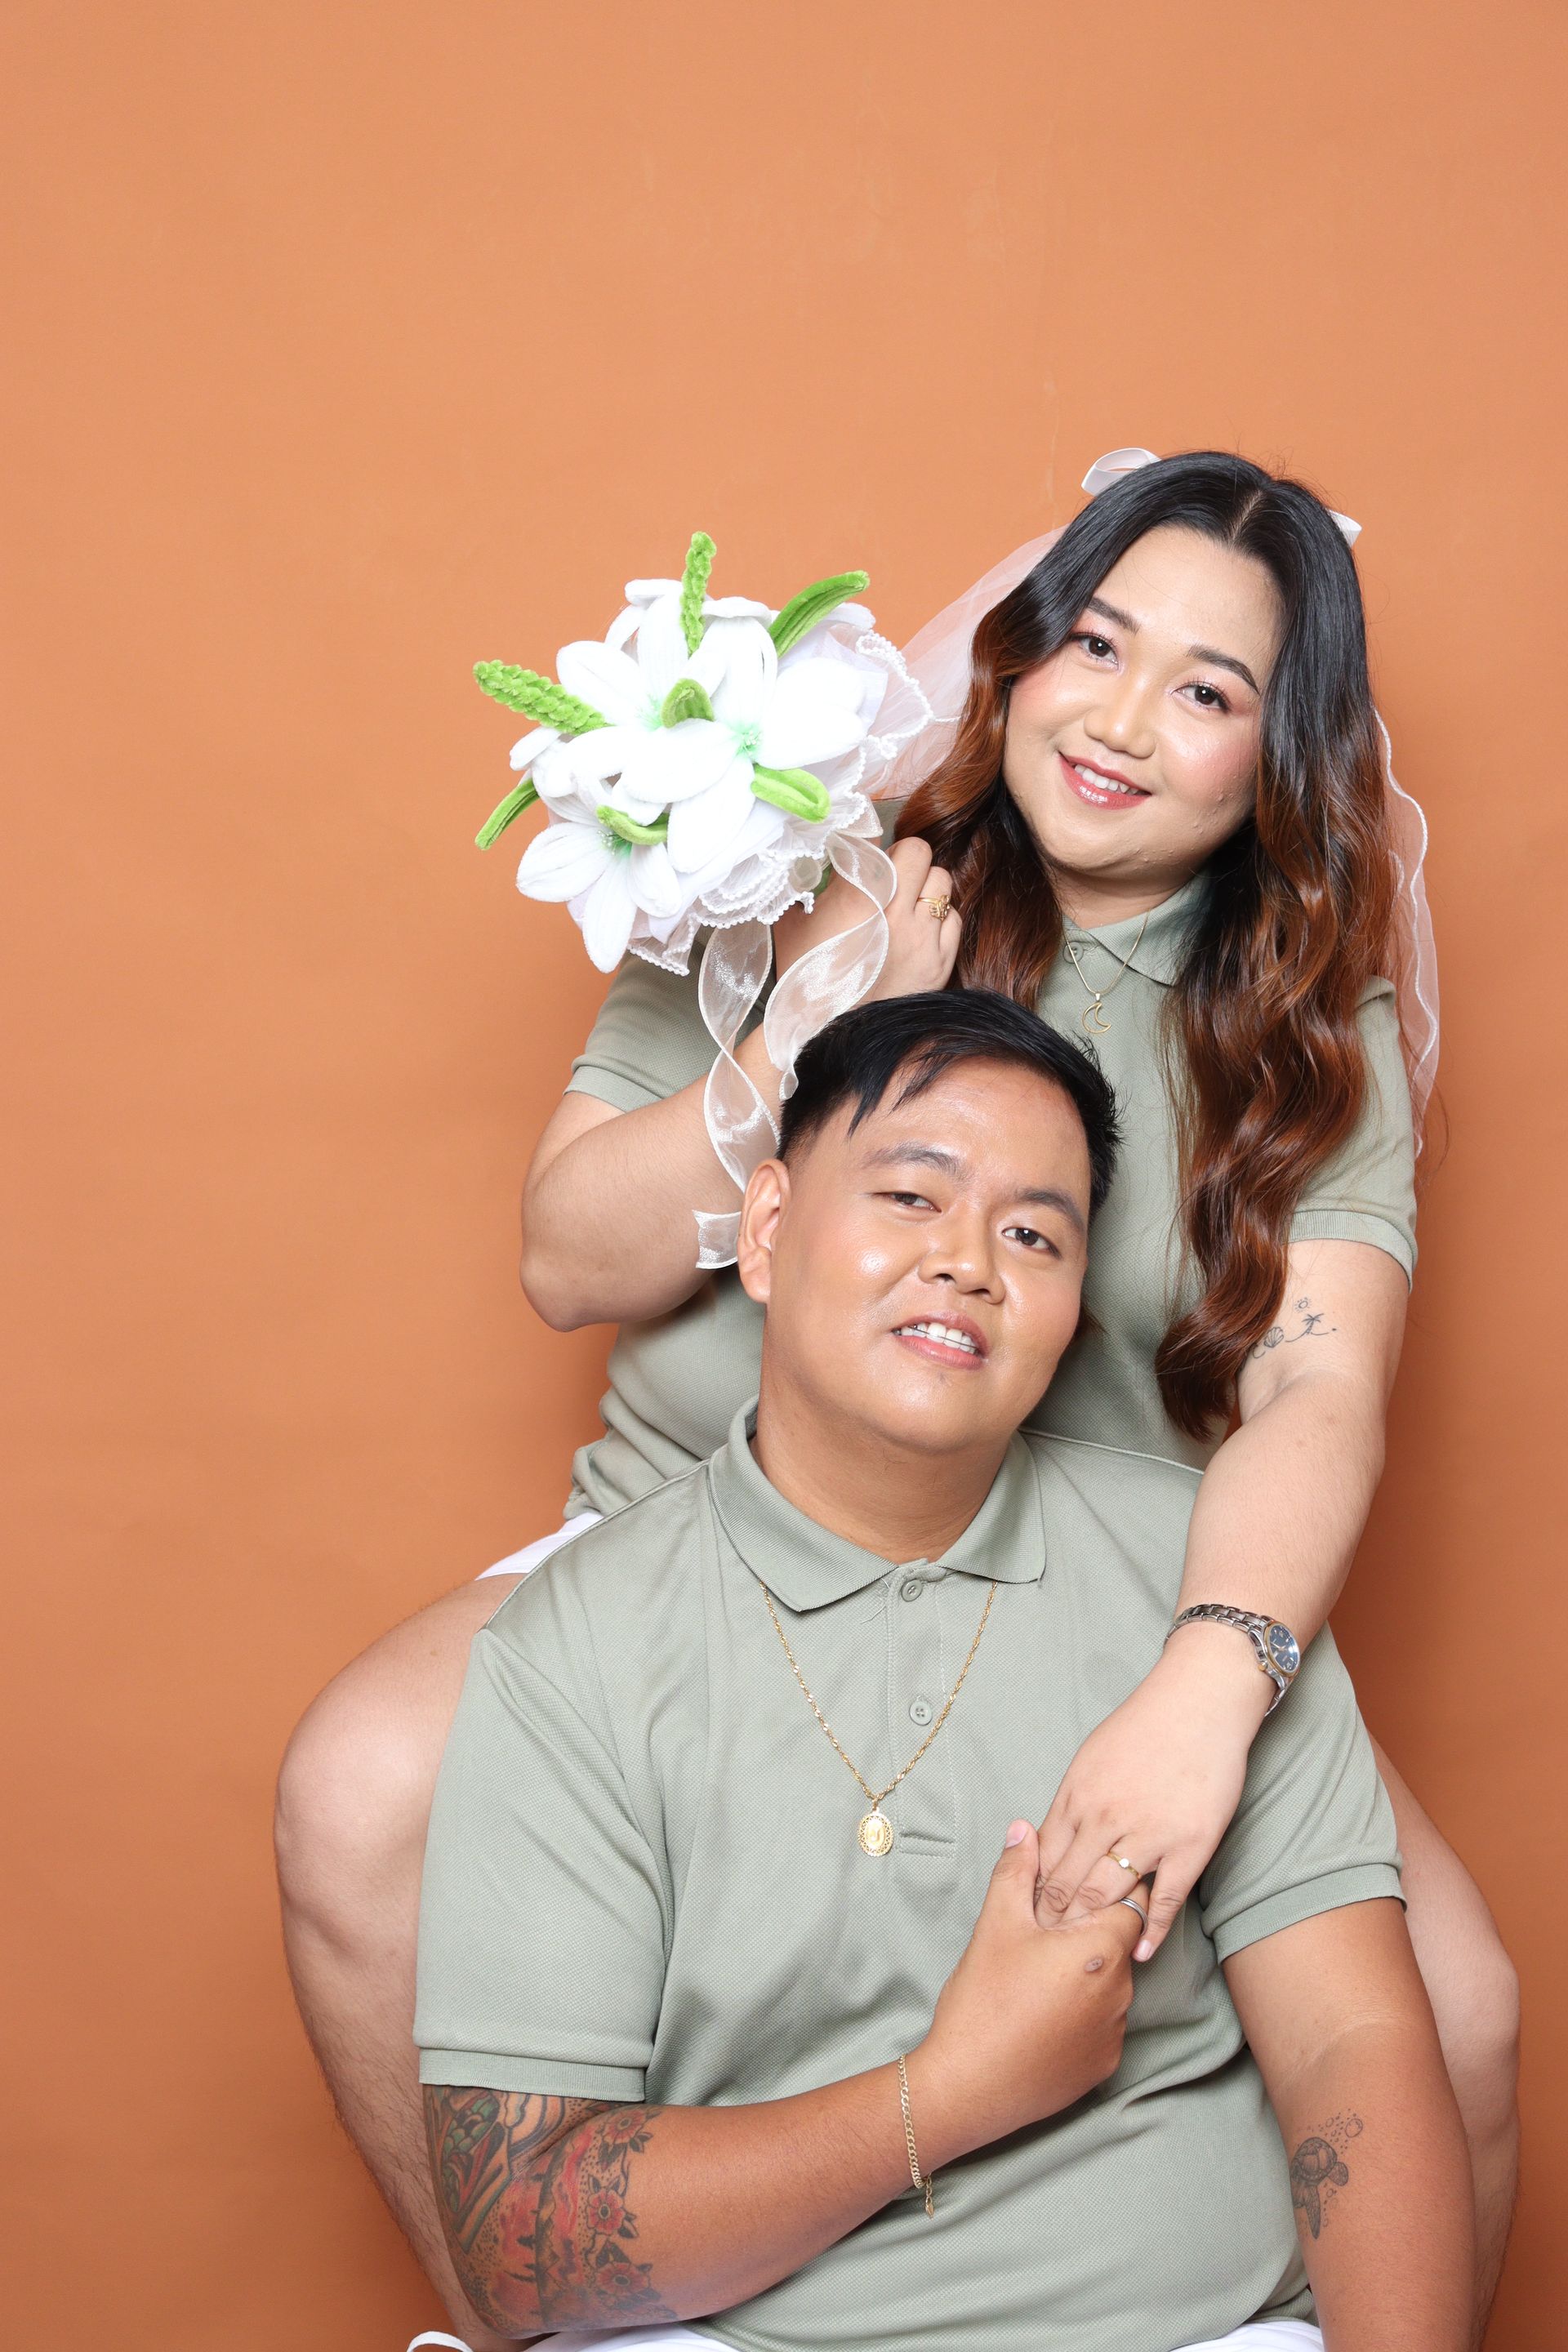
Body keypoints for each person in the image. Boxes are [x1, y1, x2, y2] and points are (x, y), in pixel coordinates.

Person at [274, 452, 1515, 2350]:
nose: (1119, 719)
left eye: (1205, 689)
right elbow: (566, 1260)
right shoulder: (798, 863)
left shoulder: (1299, 1023)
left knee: (1466, 2011)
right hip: (713, 1524)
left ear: (1280, 756)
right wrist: (792, 1029)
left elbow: (1322, 1395)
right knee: (358, 1788)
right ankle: (556, 2326)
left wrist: (1209, 1678)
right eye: (1096, 646)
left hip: (1091, 1588)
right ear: (1022, 651)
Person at [414, 990, 1474, 2352]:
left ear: (1074, 1309)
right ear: (767, 1230)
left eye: (1034, 1235)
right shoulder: (571, 1649)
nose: (969, 1262)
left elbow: (1349, 2054)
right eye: (913, 1198)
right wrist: (954, 2091)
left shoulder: (1210, 1589)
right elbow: (519, 2243)